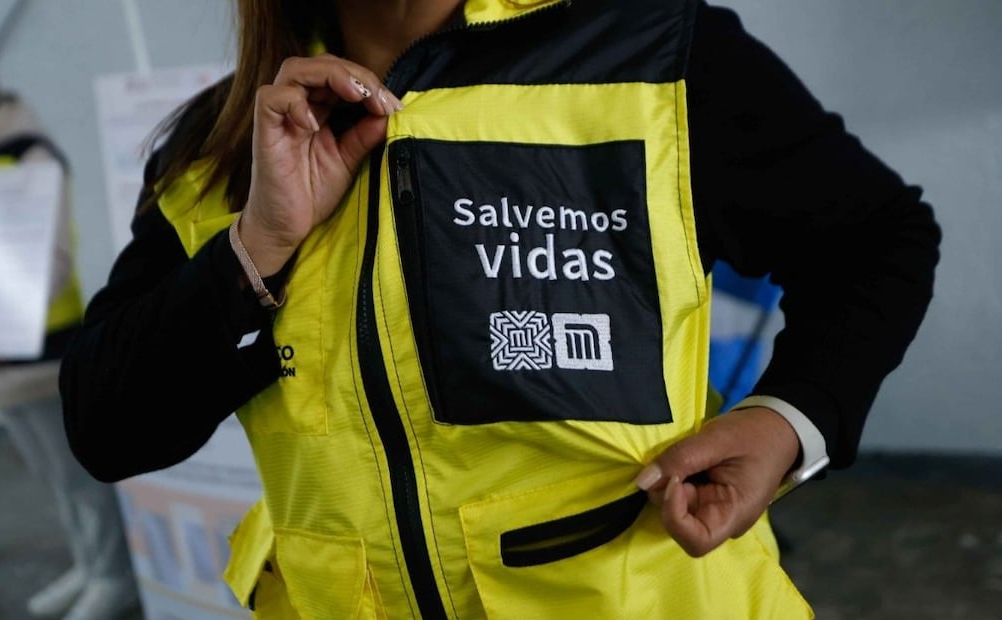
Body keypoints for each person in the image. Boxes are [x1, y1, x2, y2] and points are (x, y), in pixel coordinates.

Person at [61, 1, 941, 617]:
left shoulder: (652, 56)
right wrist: (257, 245)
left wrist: (790, 420)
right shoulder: (220, 147)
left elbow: (879, 238)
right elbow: (107, 428)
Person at [0, 40, 139, 620]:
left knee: (79, 475)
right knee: (50, 475)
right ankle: (89, 565)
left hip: (43, 353)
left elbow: (51, 264)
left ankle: (113, 576)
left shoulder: (28, 154)